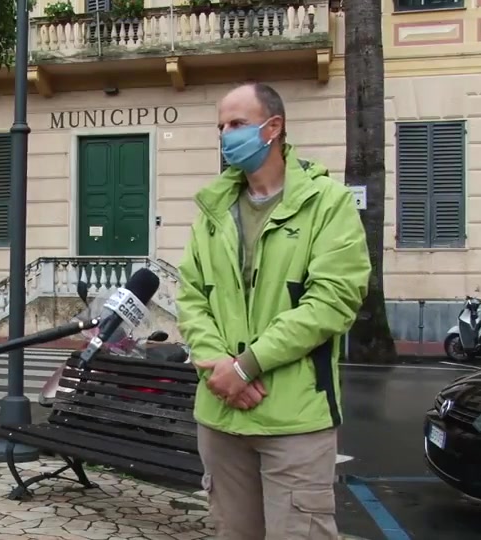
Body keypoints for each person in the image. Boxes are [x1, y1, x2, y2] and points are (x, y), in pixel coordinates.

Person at [176, 82, 371, 540]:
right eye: (221, 127)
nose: (226, 136)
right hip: (221, 415)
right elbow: (191, 299)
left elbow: (332, 302)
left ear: (273, 127)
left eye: (237, 124)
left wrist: (246, 366)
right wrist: (221, 372)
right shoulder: (213, 210)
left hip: (295, 420)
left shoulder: (328, 204)